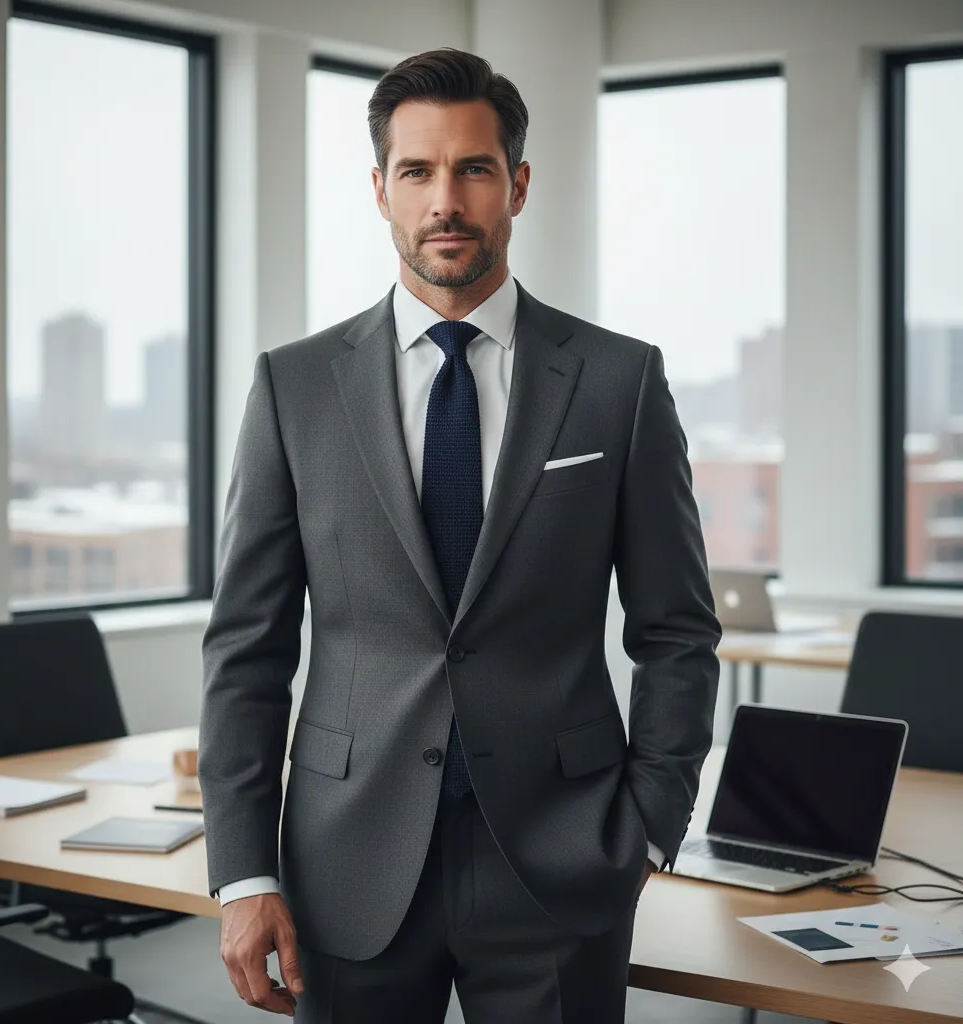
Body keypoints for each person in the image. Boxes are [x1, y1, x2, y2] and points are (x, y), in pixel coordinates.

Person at [198, 46, 721, 1023]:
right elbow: (247, 650)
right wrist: (241, 874)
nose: (446, 198)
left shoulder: (619, 383)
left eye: (474, 169)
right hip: (345, 856)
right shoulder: (293, 388)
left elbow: (677, 632)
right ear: (380, 191)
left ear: (516, 185)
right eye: (418, 171)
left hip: (561, 858)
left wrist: (649, 827)